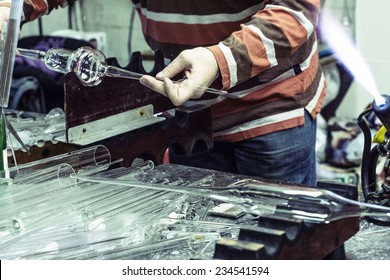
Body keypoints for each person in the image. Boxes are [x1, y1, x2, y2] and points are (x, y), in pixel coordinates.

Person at [0, 0, 326, 187]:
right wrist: (15, 7)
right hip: (186, 110)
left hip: (269, 109)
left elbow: (296, 8)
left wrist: (220, 59)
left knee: (281, 245)